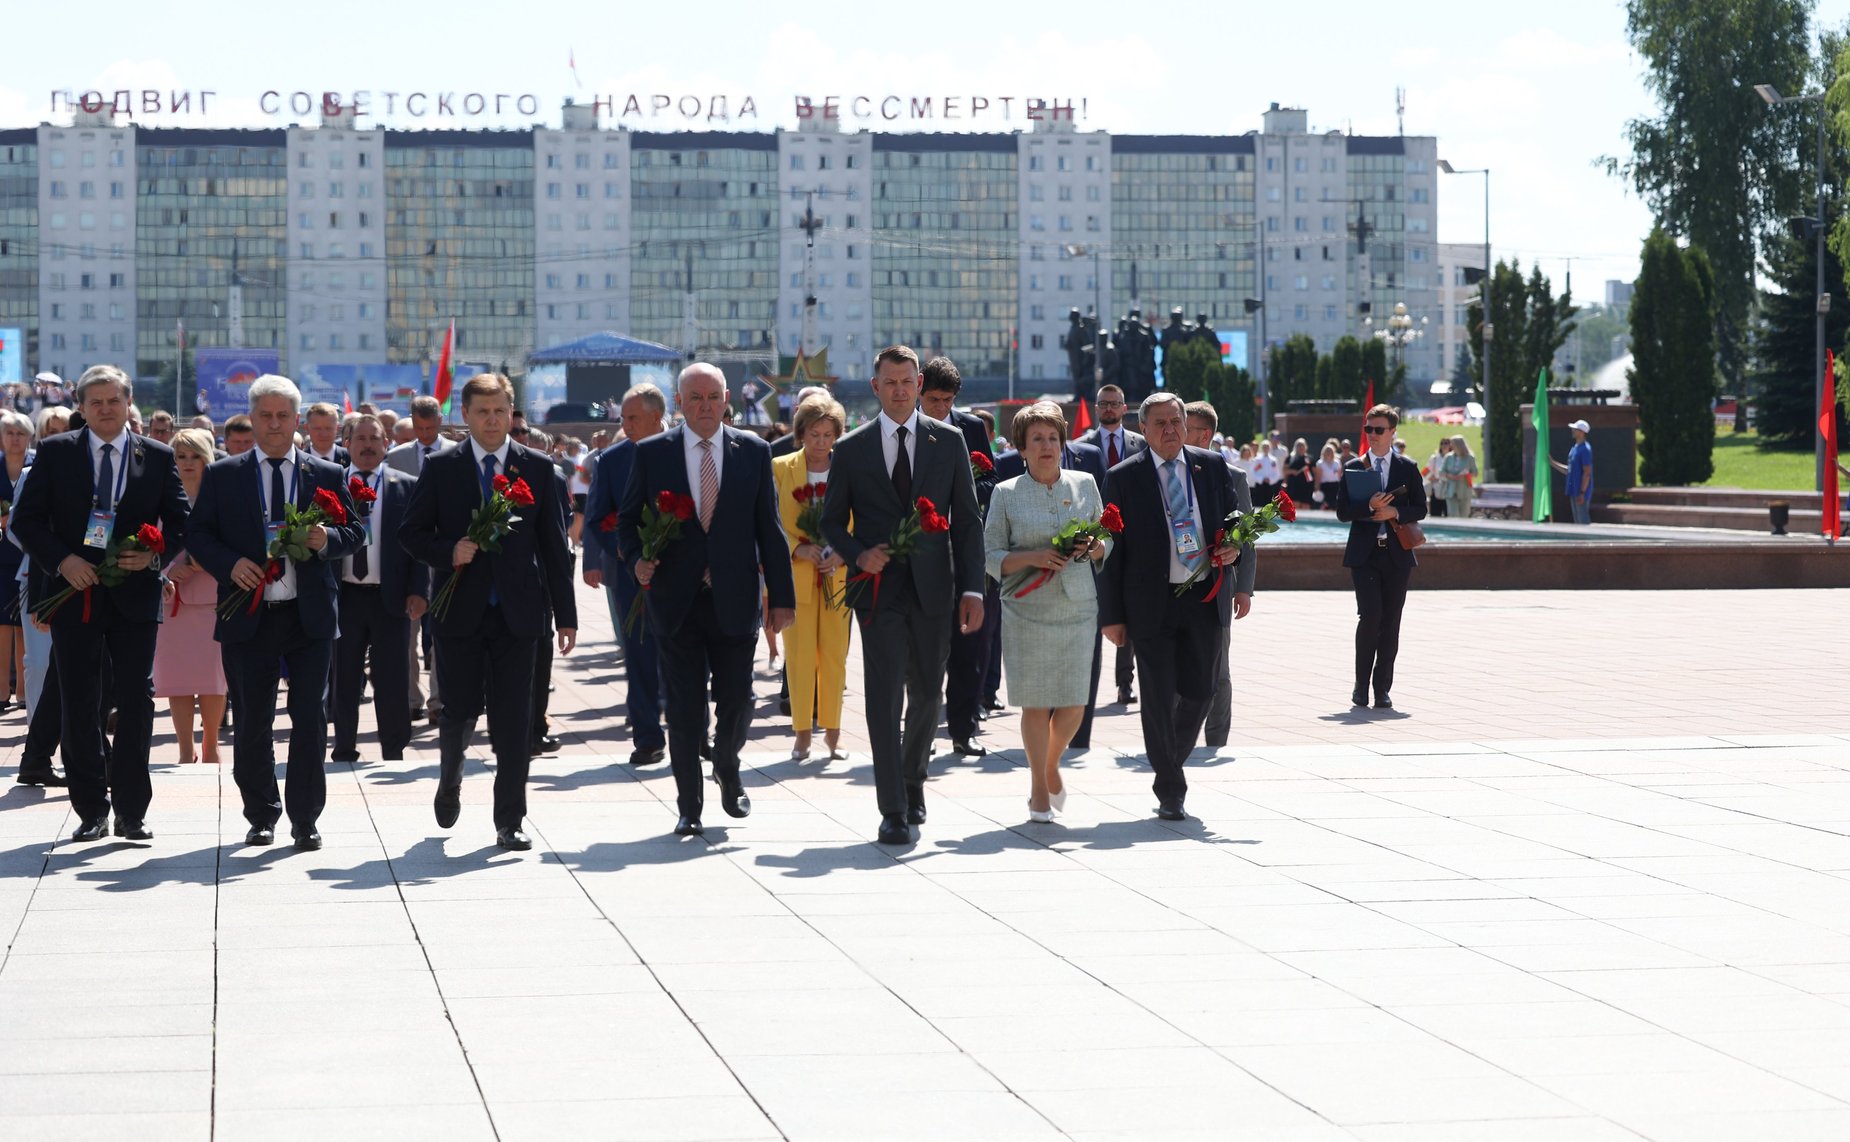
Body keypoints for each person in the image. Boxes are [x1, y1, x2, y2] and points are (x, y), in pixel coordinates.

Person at [10, 365, 190, 841]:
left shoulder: (157, 455)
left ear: (129, 404)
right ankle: (91, 809)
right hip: (75, 593)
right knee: (78, 699)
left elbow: (181, 522)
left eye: (114, 400)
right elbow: (25, 522)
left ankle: (132, 810)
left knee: (136, 698)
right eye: (97, 402)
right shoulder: (55, 452)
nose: (106, 409)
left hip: (135, 595)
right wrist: (62, 560)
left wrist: (153, 556)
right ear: (83, 407)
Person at [616, 364, 795, 837]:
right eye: (695, 397)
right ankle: (688, 805)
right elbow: (627, 521)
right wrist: (637, 560)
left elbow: (770, 529)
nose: (705, 405)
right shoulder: (653, 453)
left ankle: (727, 765)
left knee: (738, 699)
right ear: (679, 402)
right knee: (684, 708)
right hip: (675, 602)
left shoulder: (752, 451)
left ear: (726, 398)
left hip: (735, 598)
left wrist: (782, 597)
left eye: (713, 396)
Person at [400, 373, 577, 852]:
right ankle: (450, 778)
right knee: (458, 710)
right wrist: (448, 551)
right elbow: (410, 534)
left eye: (500, 411)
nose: (493, 420)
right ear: (466, 415)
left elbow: (553, 546)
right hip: (459, 611)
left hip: (519, 616)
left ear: (511, 411)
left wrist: (566, 616)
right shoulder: (442, 468)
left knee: (515, 719)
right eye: (483, 412)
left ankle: (509, 820)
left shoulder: (536, 467)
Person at [186, 375, 363, 850]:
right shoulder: (225, 474)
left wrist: (326, 539)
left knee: (309, 718)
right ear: (251, 418)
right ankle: (261, 813)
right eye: (265, 415)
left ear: (297, 420)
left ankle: (305, 818)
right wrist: (230, 564)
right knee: (251, 720)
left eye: (283, 415)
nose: (274, 423)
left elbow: (354, 533)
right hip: (248, 613)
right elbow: (197, 534)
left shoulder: (325, 474)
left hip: (309, 617)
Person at [820, 345, 985, 845]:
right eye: (889, 383)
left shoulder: (948, 441)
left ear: (919, 384)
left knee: (928, 694)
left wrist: (973, 588)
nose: (899, 391)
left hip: (935, 589)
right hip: (877, 593)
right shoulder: (851, 449)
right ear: (876, 387)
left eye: (906, 382)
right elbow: (831, 522)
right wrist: (857, 553)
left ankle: (914, 782)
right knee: (884, 696)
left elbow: (967, 522)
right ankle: (892, 807)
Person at [1099, 392, 1251, 822]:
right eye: (1160, 423)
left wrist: (1234, 546)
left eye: (1176, 422)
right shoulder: (1123, 477)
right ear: (1143, 429)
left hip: (1203, 595)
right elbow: (1112, 551)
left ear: (1186, 426)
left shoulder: (1212, 466)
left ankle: (1169, 760)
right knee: (1158, 694)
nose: (1169, 430)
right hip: (1151, 602)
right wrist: (1112, 616)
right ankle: (1170, 788)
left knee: (1202, 690)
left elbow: (1234, 521)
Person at [984, 401, 1111, 822]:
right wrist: (1032, 557)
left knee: (1075, 702)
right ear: (1022, 448)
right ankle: (1039, 788)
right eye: (1037, 439)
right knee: (1036, 703)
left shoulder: (1086, 483)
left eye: (1053, 438)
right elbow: (990, 555)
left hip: (1078, 606)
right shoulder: (1005, 493)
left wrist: (1096, 547)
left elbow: (1106, 539)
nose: (1046, 446)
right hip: (1026, 608)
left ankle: (1051, 763)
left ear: (1063, 444)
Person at [331, 414, 428, 765]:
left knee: (392, 678)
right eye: (361, 438)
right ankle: (344, 747)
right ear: (348, 444)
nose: (368, 445)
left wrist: (419, 590)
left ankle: (394, 748)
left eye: (375, 438)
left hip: (391, 597)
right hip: (345, 596)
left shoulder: (407, 486)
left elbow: (417, 543)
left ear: (386, 444)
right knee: (343, 677)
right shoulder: (332, 485)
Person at [585, 384, 669, 768]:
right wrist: (625, 550)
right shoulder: (611, 460)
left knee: (687, 655)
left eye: (633, 418)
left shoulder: (683, 449)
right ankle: (648, 738)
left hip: (680, 574)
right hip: (630, 577)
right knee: (639, 656)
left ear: (656, 417)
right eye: (623, 418)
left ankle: (693, 732)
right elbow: (597, 517)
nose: (626, 425)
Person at [919, 356, 996, 758]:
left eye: (947, 400)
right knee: (925, 652)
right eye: (933, 399)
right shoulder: (907, 429)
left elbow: (991, 482)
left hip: (964, 551)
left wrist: (962, 491)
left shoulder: (970, 428)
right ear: (920, 392)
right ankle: (923, 732)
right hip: (921, 554)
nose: (940, 408)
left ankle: (963, 731)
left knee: (969, 647)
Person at [772, 395, 852, 763]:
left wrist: (842, 551)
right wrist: (797, 549)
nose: (821, 442)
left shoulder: (850, 469)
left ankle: (833, 733)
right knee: (799, 657)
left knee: (834, 656)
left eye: (828, 434)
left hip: (838, 575)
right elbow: (769, 520)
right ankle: (802, 733)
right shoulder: (779, 468)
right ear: (800, 433)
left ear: (837, 435)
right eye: (814, 434)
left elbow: (862, 518)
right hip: (796, 577)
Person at [1335, 404, 1427, 710]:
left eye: (1378, 429)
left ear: (1392, 432)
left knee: (1391, 621)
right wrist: (1369, 507)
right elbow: (1342, 512)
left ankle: (1382, 688)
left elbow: (1421, 508)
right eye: (1368, 429)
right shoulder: (1354, 466)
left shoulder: (1407, 467)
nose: (1372, 435)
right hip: (1364, 555)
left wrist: (1394, 512)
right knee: (1370, 616)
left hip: (1397, 555)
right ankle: (1360, 686)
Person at [1183, 401, 1258, 751]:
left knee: (1218, 668)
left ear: (1204, 435)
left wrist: (1244, 588)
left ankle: (1216, 740)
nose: (1175, 432)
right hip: (1173, 585)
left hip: (1217, 585)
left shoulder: (1233, 477)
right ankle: (1177, 736)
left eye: (1184, 427)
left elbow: (1246, 537)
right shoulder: (1167, 472)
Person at [152, 429, 227, 765]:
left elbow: (231, 542)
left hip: (213, 598)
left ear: (207, 458)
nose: (187, 463)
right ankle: (185, 748)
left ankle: (211, 745)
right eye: (181, 456)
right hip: (171, 600)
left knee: (213, 679)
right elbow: (147, 541)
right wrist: (169, 569)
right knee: (177, 679)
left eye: (195, 456)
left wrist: (196, 563)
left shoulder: (220, 497)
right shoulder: (160, 497)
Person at [386, 395, 456, 726]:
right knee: (406, 632)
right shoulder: (396, 458)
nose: (425, 434)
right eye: (419, 428)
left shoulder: (457, 454)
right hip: (408, 556)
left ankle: (439, 701)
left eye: (430, 428)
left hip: (444, 555)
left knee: (442, 632)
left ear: (440, 421)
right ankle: (410, 699)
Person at [1075, 382, 1145, 707]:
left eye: (1114, 403)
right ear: (1097, 407)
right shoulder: (1080, 447)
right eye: (1103, 403)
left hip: (1129, 539)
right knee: (1092, 612)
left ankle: (1124, 683)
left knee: (1127, 612)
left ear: (1124, 408)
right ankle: (1087, 682)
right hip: (1092, 539)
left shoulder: (1141, 444)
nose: (1109, 408)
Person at [0, 410, 32, 711]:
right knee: (1, 625)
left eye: (20, 433)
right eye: (9, 432)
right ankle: (1, 691)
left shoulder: (37, 466)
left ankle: (23, 690)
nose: (14, 438)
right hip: (1, 555)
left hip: (28, 555)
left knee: (24, 625)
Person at [1551, 419, 1594, 524]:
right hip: (1574, 490)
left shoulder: (1585, 449)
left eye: (1575, 429)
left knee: (1582, 520)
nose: (1573, 431)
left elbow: (1587, 472)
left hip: (1580, 492)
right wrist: (1552, 463)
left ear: (1582, 432)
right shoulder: (1574, 448)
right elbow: (1569, 470)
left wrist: (1582, 493)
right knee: (1577, 521)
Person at [1440, 434, 1478, 520]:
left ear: (1459, 445)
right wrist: (1449, 475)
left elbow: (1475, 473)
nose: (1451, 446)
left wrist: (1465, 474)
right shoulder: (1448, 457)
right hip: (1451, 491)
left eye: (1452, 444)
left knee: (1464, 516)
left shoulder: (1470, 458)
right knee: (1453, 516)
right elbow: (1441, 472)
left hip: (1465, 491)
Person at [1284, 437, 1315, 506]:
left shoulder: (1310, 458)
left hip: (1307, 487)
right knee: (1295, 507)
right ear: (1295, 446)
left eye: (1302, 445)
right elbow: (1284, 471)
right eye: (1299, 445)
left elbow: (1315, 472)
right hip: (1294, 487)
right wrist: (1293, 471)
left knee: (1306, 506)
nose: (1301, 447)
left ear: (1306, 446)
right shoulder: (1290, 458)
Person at [1425, 438, 1451, 517]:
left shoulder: (1454, 458)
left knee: (1448, 515)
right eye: (1442, 443)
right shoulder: (1434, 458)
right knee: (1435, 515)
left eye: (1446, 443)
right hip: (1436, 490)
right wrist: (1431, 478)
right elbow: (1425, 472)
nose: (1444, 445)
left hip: (1449, 491)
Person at [1316, 442, 1344, 512]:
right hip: (1325, 486)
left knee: (1335, 505)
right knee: (1326, 505)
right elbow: (1318, 478)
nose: (1329, 452)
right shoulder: (1320, 463)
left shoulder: (1337, 462)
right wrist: (1317, 489)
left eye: (1330, 451)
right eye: (1327, 451)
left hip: (1335, 486)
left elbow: (1340, 476)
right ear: (1323, 452)